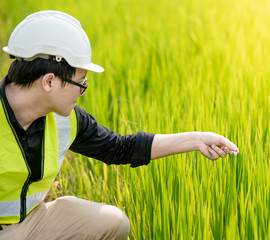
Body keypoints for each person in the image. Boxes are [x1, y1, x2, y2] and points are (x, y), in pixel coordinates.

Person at [0, 10, 239, 239]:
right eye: (80, 82)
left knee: (113, 222)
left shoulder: (66, 120)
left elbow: (120, 148)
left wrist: (196, 140)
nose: (82, 91)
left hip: (32, 221)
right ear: (49, 81)